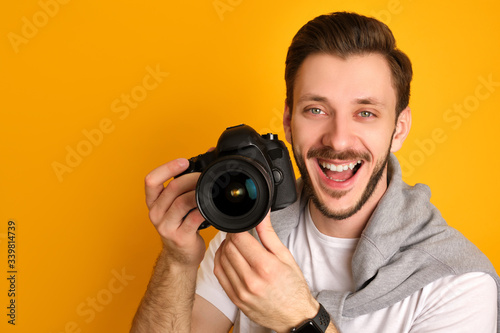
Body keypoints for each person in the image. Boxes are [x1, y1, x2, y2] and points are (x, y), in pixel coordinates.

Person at [131, 12, 500, 333]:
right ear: (289, 123)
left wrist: (302, 318)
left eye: (365, 113)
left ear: (399, 128)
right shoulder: (249, 229)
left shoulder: (458, 281)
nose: (338, 141)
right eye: (317, 110)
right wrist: (178, 261)